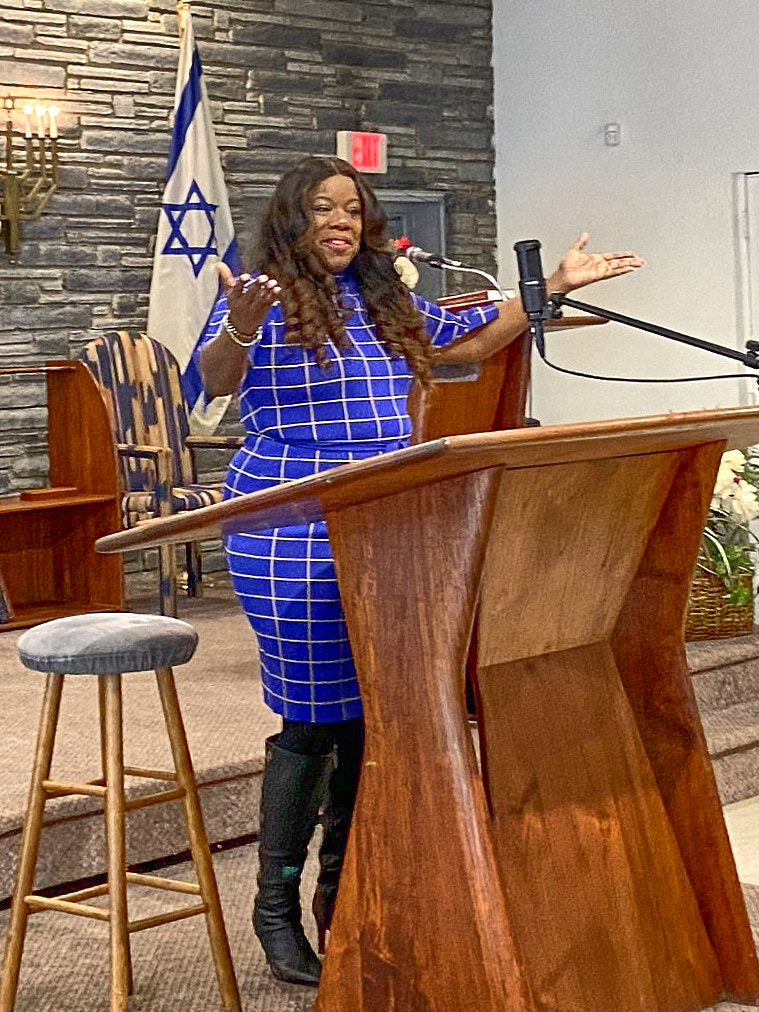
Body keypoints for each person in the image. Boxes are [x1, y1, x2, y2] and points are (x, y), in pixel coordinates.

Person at [197, 155, 644, 987]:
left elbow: (468, 341)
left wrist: (549, 287)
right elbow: (216, 381)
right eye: (321, 208)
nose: (339, 220)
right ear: (290, 220)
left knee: (372, 716)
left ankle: (343, 897)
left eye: (351, 208)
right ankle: (274, 908)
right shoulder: (256, 297)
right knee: (314, 717)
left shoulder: (382, 297)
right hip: (290, 525)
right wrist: (241, 326)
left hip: (391, 518)